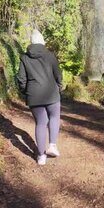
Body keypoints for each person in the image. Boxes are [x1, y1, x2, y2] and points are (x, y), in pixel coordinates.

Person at [17, 29, 63, 166]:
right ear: (42, 41)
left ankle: (41, 156)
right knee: (54, 117)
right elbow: (58, 74)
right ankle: (52, 145)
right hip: (51, 93)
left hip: (34, 95)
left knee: (41, 123)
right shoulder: (50, 55)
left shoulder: (25, 58)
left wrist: (26, 91)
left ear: (31, 42)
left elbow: (21, 78)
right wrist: (59, 86)